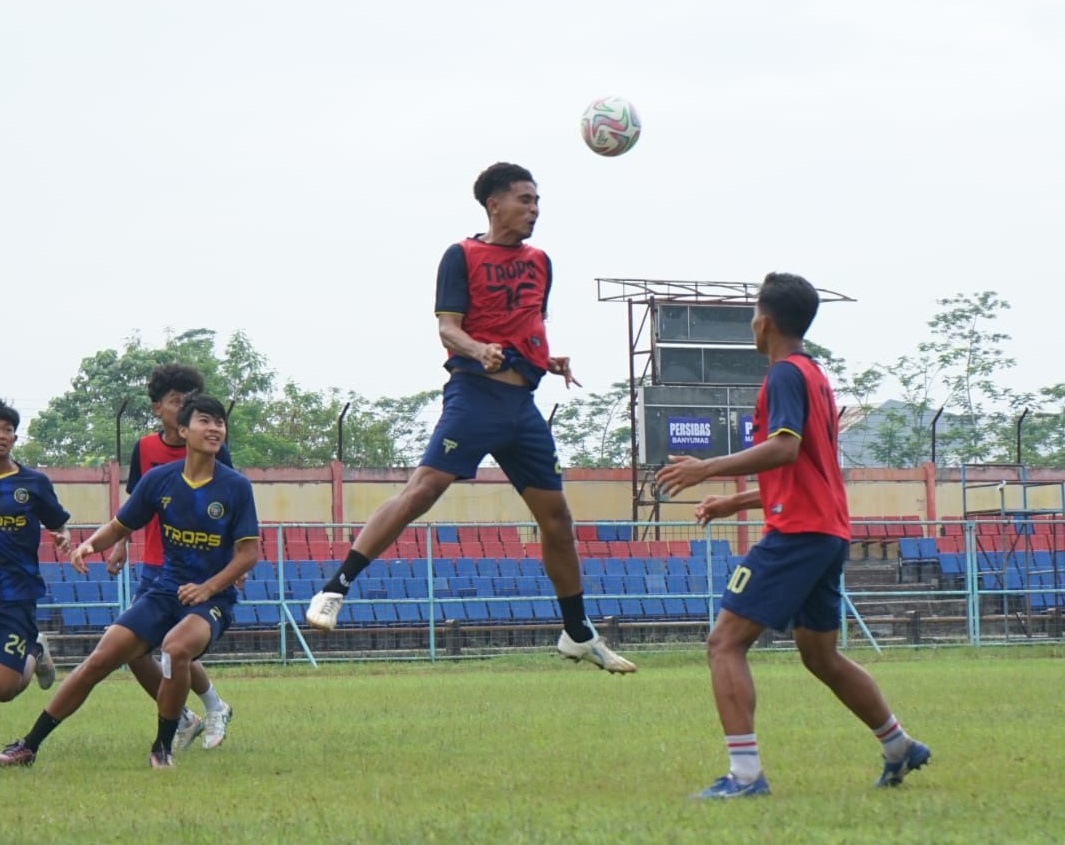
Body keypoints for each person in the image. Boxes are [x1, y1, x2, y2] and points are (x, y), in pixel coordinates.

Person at [306, 161, 634, 673]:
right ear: (493, 203)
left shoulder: (542, 261)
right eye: (525, 200)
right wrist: (479, 350)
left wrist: (545, 358)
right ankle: (336, 586)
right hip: (474, 398)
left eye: (537, 201)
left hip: (522, 408)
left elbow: (525, 324)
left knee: (558, 519)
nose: (534, 210)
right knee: (421, 492)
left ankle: (577, 632)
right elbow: (448, 328)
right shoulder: (461, 255)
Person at [655, 272, 929, 798]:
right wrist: (735, 500)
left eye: (754, 313)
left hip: (799, 533)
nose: (752, 322)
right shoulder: (815, 376)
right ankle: (899, 746)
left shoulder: (783, 375)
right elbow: (806, 467)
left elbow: (782, 448)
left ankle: (745, 776)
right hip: (826, 531)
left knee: (724, 644)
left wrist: (706, 468)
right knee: (819, 655)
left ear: (766, 321)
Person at [0, 394, 259, 769]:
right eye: (205, 420)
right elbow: (122, 525)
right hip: (164, 591)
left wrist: (209, 588)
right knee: (101, 658)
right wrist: (90, 545)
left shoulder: (235, 487)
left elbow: (249, 553)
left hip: (211, 600)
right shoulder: (160, 480)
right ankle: (28, 745)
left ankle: (162, 748)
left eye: (219, 422)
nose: (215, 428)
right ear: (184, 430)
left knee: (176, 647)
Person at [108, 363, 235, 751]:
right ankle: (184, 715)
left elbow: (228, 504)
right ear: (157, 408)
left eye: (189, 402)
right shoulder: (145, 448)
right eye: (176, 402)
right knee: (137, 651)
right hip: (155, 562)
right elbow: (135, 503)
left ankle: (213, 706)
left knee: (174, 646)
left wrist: (233, 565)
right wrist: (120, 541)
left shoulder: (213, 447)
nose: (184, 408)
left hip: (200, 566)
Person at [0, 400, 70, 704]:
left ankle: (35, 649)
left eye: (7, 429)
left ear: (15, 438)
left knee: (5, 691)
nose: (1, 435)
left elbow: (59, 524)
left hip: (17, 590)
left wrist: (63, 538)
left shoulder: (33, 483)